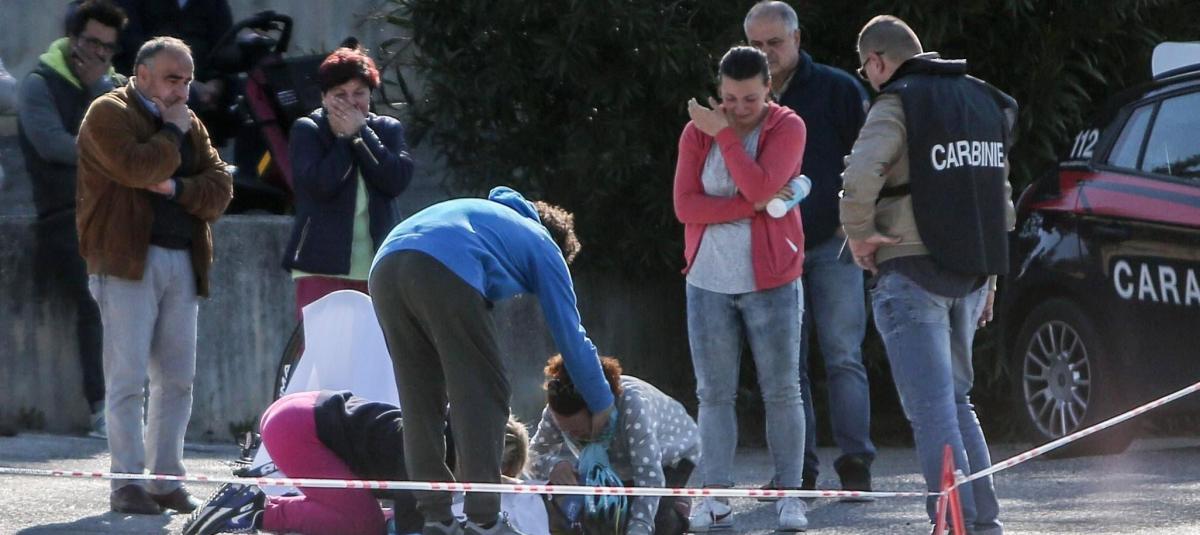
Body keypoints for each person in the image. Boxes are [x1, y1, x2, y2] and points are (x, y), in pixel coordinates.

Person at [840, 15, 1016, 534]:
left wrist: (859, 233)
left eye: (865, 69)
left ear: (877, 61)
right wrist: (991, 278)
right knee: (957, 403)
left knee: (932, 410)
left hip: (910, 271)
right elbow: (1000, 198)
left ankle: (954, 525)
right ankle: (983, 524)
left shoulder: (897, 102)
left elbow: (859, 175)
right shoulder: (984, 100)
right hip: (971, 273)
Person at [370, 186, 616, 535]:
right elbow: (571, 336)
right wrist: (602, 402)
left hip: (384, 268)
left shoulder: (491, 220)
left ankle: (436, 518)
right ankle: (483, 519)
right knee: (485, 391)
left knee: (419, 400)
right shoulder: (543, 244)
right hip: (442, 266)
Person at [76, 36, 233, 515]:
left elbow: (220, 188)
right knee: (126, 379)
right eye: (171, 79)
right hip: (126, 260)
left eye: (187, 80)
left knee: (177, 379)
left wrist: (175, 188)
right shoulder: (109, 113)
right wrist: (169, 133)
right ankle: (126, 482)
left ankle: (165, 480)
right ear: (141, 75)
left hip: (182, 258)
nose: (181, 90)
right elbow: (136, 167)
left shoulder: (189, 121)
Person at [673, 46, 809, 532]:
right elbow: (686, 206)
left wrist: (727, 138)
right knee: (713, 394)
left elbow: (760, 187)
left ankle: (791, 496)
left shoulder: (788, 127)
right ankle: (716, 498)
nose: (739, 108)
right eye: (729, 98)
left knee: (782, 390)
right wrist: (750, 208)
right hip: (707, 279)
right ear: (719, 90)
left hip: (771, 278)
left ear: (769, 89)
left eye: (750, 98)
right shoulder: (696, 131)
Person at [743, 0, 877, 495]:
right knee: (785, 366)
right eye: (755, 44)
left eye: (775, 42)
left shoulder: (839, 89)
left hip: (832, 244)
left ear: (797, 39)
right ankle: (797, 469)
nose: (766, 53)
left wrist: (854, 223)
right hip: (775, 248)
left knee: (843, 356)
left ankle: (856, 465)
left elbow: (873, 161)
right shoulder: (743, 99)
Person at [181, 390, 534, 535]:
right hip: (298, 429)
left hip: (300, 412)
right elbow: (413, 521)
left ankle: (270, 508)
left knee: (374, 516)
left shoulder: (443, 433)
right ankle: (256, 510)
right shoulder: (428, 457)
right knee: (365, 523)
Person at [17, 0, 128, 439]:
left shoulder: (112, 86)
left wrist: (99, 91)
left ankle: (127, 405)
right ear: (71, 39)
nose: (98, 53)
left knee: (136, 307)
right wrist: (109, 151)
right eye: (91, 42)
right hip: (65, 214)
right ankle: (102, 408)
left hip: (117, 211)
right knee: (94, 302)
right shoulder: (39, 84)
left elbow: (133, 137)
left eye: (107, 47)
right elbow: (53, 145)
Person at [282, 44, 413, 316]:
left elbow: (395, 180)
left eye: (359, 93)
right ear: (324, 98)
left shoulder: (387, 129)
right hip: (321, 265)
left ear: (370, 95)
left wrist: (360, 135)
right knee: (325, 341)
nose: (351, 103)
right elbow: (321, 185)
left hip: (378, 266)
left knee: (377, 341)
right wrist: (344, 140)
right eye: (340, 95)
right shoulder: (308, 130)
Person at [529, 355, 698, 535]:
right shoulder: (555, 412)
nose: (571, 435)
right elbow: (531, 455)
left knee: (649, 521)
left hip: (673, 454)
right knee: (599, 520)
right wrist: (553, 465)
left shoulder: (633, 407)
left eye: (578, 431)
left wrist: (639, 528)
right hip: (619, 465)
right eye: (565, 431)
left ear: (599, 413)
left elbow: (649, 478)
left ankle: (677, 513)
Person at [110, 0, 236, 144]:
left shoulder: (215, 4)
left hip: (206, 98)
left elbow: (226, 47)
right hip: (147, 93)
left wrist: (217, 84)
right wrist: (187, 85)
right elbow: (133, 48)